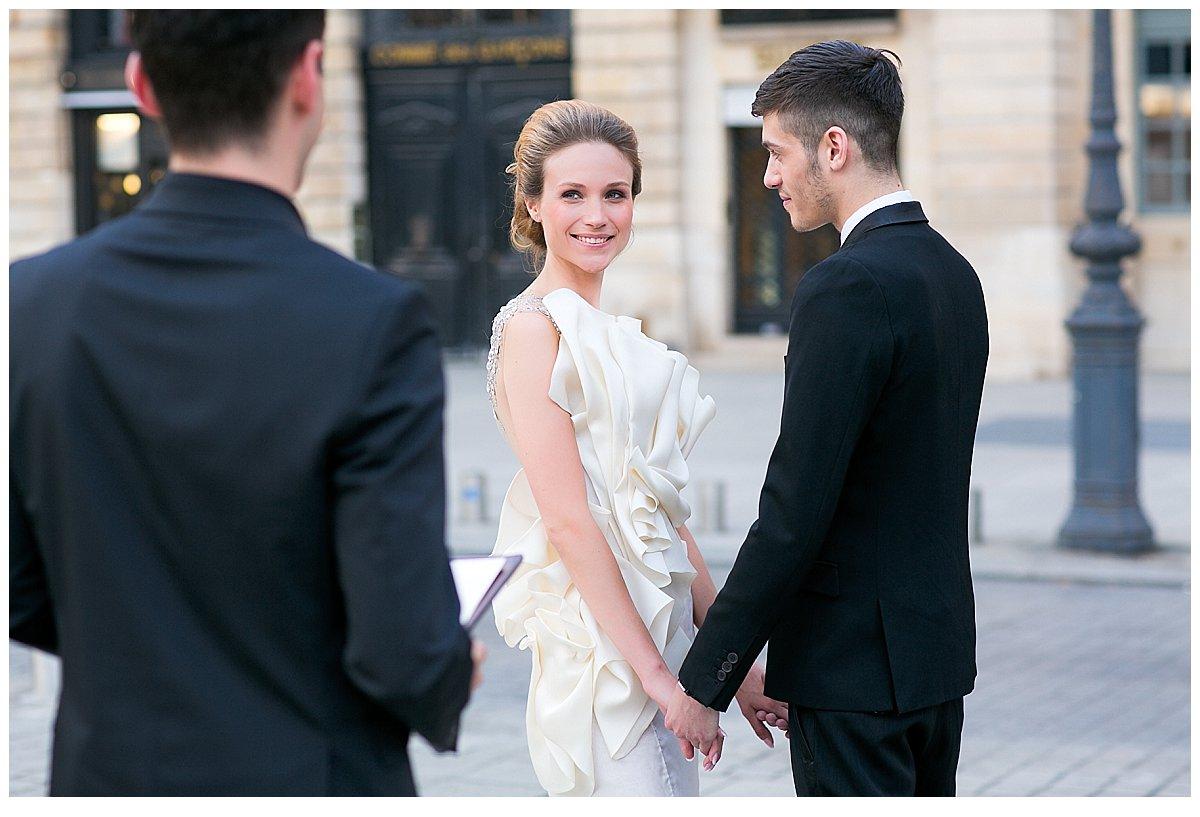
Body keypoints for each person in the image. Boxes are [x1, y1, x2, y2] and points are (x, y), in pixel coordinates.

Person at [9, 10, 481, 795]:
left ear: (140, 84)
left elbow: (21, 587)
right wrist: (447, 673)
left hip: (110, 775)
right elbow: (399, 648)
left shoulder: (31, 303)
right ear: (307, 75)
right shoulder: (370, 319)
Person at [667, 41, 990, 797]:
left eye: (778, 152)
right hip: (935, 664)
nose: (770, 175)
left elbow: (795, 510)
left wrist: (706, 677)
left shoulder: (845, 285)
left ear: (834, 147)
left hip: (853, 677)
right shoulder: (954, 273)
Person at [485, 100, 788, 797]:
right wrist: (658, 680)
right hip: (604, 657)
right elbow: (567, 519)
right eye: (572, 194)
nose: (597, 214)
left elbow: (663, 518)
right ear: (532, 203)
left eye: (614, 194)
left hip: (668, 642)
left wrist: (732, 670)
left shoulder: (617, 331)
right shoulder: (532, 330)